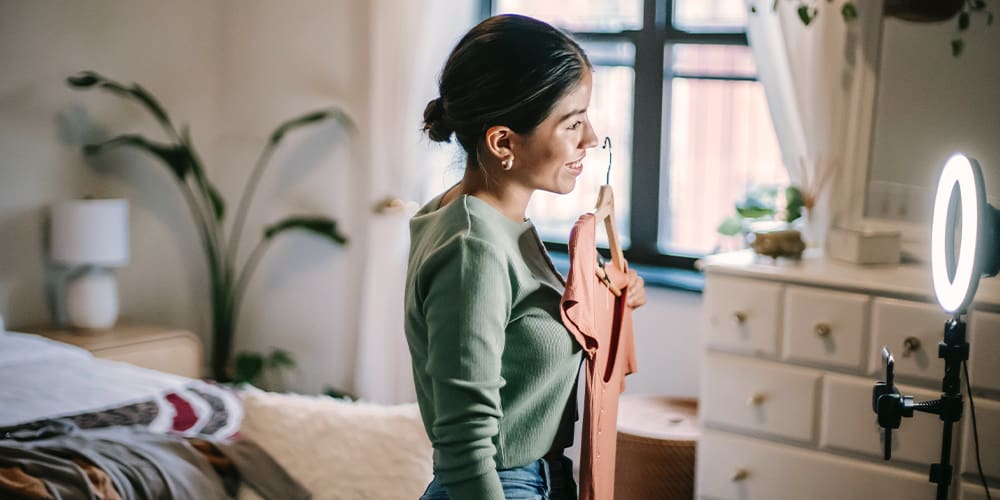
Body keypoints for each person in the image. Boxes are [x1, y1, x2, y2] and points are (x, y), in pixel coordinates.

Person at [405, 14, 647, 500]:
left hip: (535, 478)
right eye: (573, 122)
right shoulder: (474, 246)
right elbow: (463, 446)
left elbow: (522, 329)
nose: (591, 138)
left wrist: (606, 295)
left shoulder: (489, 221)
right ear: (502, 142)